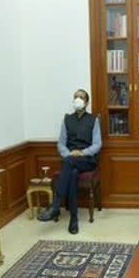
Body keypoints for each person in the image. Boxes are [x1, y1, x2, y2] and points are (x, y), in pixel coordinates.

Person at [37, 89, 102, 234]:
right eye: (75, 97)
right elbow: (60, 143)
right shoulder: (67, 119)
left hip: (87, 160)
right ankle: (74, 219)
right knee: (72, 172)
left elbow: (97, 144)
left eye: (81, 97)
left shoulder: (93, 120)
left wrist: (81, 152)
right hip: (70, 161)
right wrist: (69, 154)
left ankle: (55, 206)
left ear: (86, 102)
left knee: (69, 163)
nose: (78, 99)